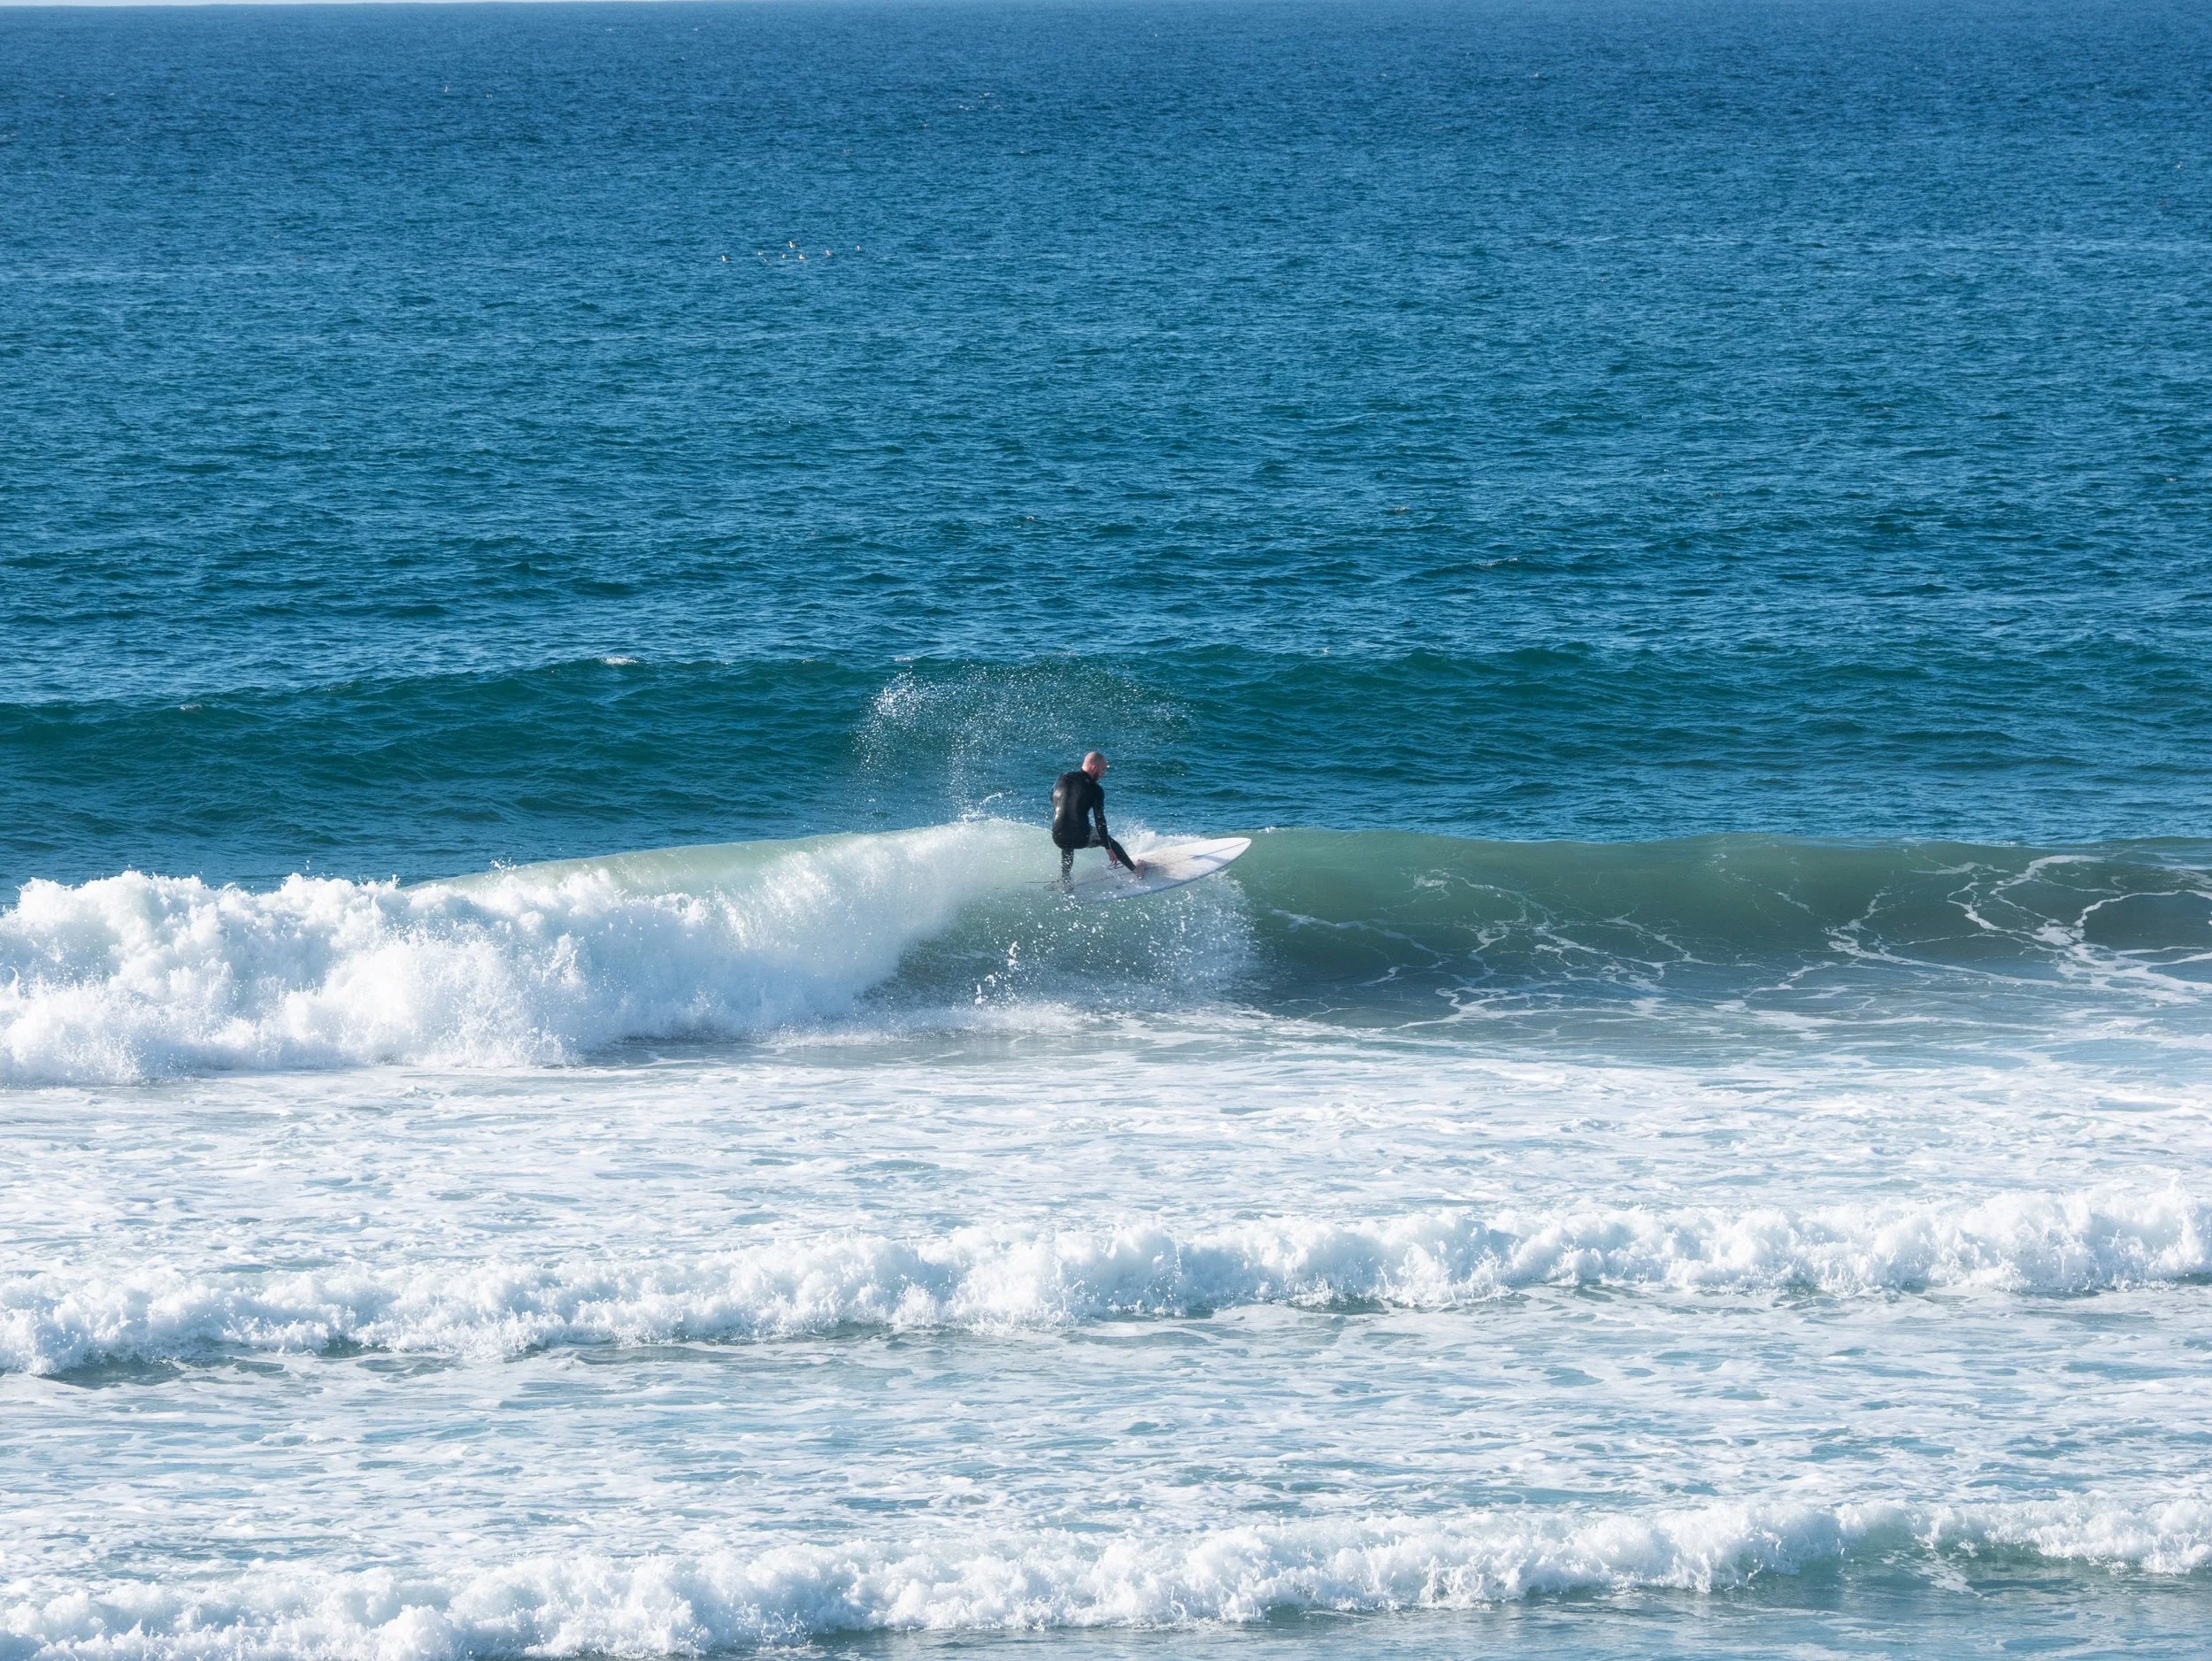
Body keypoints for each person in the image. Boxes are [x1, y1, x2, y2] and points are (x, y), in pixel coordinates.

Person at [1051, 751, 1144, 882]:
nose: (1103, 774)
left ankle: (1065, 880)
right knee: (1110, 841)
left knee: (1067, 842)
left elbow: (1052, 798)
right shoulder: (1096, 789)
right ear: (1094, 768)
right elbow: (1100, 820)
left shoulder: (1062, 777)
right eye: (1102, 770)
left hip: (1057, 837)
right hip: (1081, 838)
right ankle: (1136, 870)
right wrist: (1108, 848)